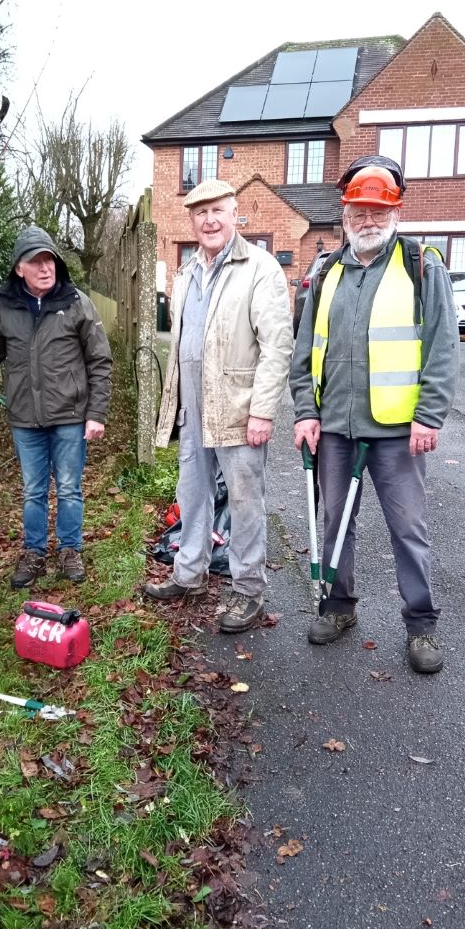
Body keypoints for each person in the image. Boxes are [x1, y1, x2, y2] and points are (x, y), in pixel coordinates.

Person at [289, 155, 459, 673]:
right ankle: (339, 608)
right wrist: (304, 411)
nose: (368, 220)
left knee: (407, 528)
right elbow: (304, 351)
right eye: (359, 211)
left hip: (396, 432)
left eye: (377, 211)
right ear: (345, 216)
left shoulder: (420, 265)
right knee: (336, 519)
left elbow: (443, 346)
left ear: (395, 213)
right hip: (335, 427)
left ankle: (421, 625)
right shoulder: (325, 271)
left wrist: (429, 415)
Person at [144, 179, 293, 633]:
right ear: (191, 219)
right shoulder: (187, 272)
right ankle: (189, 573)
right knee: (192, 494)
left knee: (246, 502)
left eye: (217, 211)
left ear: (234, 215)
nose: (209, 220)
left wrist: (263, 412)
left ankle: (248, 589)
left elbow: (277, 346)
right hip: (194, 408)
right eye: (200, 212)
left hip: (238, 410)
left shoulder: (260, 268)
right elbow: (182, 344)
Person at [0, 226, 112, 588]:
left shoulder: (76, 303)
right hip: (25, 417)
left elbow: (100, 361)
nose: (45, 267)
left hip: (70, 417)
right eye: (35, 261)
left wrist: (96, 413)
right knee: (33, 491)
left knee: (70, 488)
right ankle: (34, 552)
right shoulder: (6, 307)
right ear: (18, 269)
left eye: (50, 260)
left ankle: (70, 550)